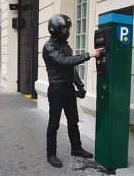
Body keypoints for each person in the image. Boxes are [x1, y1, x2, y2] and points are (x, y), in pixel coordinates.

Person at [42, 14, 102, 168]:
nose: (66, 31)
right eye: (64, 29)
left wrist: (79, 85)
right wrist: (88, 55)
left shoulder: (65, 46)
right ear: (54, 30)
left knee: (73, 122)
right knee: (53, 124)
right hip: (56, 90)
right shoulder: (49, 47)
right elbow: (63, 62)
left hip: (68, 90)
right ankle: (51, 154)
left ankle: (76, 148)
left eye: (67, 28)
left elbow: (71, 68)